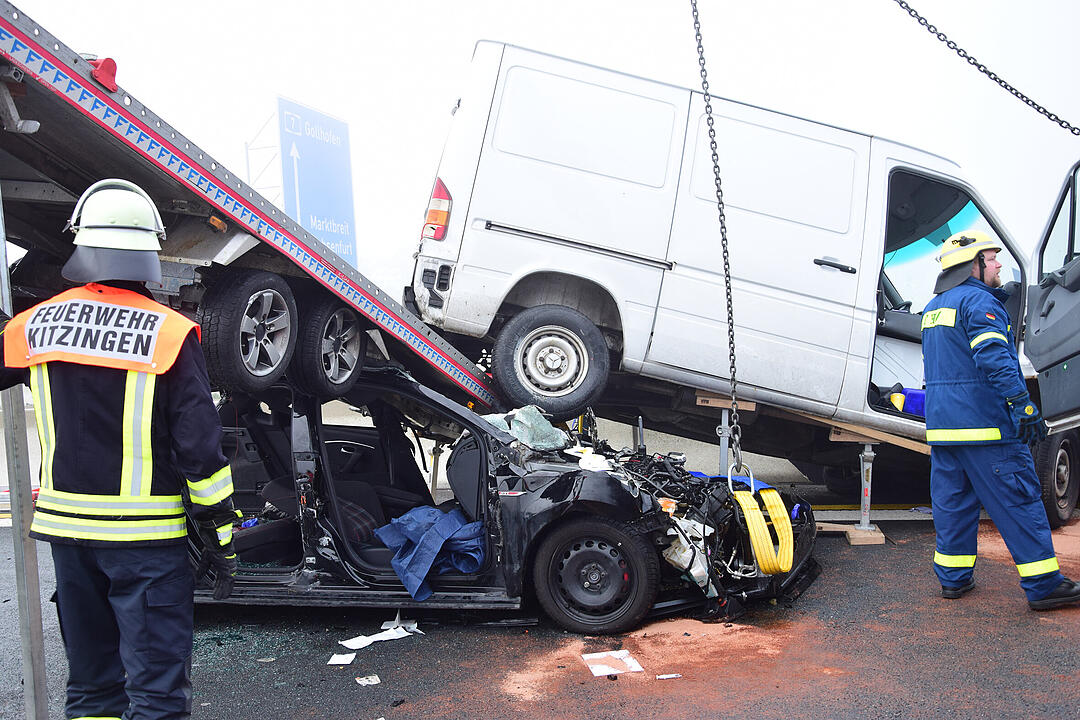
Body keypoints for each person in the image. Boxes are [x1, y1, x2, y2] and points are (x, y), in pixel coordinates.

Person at [0, 179, 239, 719]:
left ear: (81, 243)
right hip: (145, 545)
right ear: (150, 253)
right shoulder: (172, 334)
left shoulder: (37, 323)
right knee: (155, 694)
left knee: (92, 691)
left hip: (68, 539)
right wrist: (220, 535)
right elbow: (199, 448)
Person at [921, 230, 1080, 611]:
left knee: (953, 505)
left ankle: (954, 579)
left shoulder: (934, 307)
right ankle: (1044, 585)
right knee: (1019, 501)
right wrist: (1023, 405)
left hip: (944, 429)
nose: (997, 265)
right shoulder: (979, 303)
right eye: (991, 259)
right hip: (987, 428)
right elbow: (994, 359)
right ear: (972, 266)